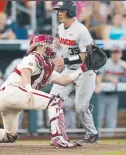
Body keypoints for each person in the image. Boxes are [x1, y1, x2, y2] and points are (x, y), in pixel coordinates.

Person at [0, 34, 90, 148]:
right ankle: (58, 138)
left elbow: (65, 80)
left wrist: (82, 69)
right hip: (14, 91)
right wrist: (29, 89)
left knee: (10, 136)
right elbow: (25, 71)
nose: (51, 47)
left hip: (7, 97)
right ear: (40, 45)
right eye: (48, 44)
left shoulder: (46, 66)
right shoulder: (34, 57)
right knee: (55, 101)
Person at [50, 0, 99, 144]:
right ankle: (83, 106)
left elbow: (86, 55)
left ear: (70, 12)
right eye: (59, 11)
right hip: (69, 69)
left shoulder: (82, 30)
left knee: (80, 108)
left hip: (85, 70)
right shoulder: (60, 28)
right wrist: (62, 63)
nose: (59, 13)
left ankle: (92, 133)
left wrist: (65, 61)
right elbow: (65, 50)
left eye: (62, 10)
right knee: (53, 99)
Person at [95, 48, 126, 136]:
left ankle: (110, 136)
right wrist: (107, 79)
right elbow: (98, 76)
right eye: (114, 52)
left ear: (121, 54)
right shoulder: (106, 62)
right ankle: (96, 136)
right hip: (102, 94)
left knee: (111, 117)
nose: (116, 54)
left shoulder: (123, 64)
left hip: (114, 95)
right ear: (111, 54)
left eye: (117, 52)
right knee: (99, 116)